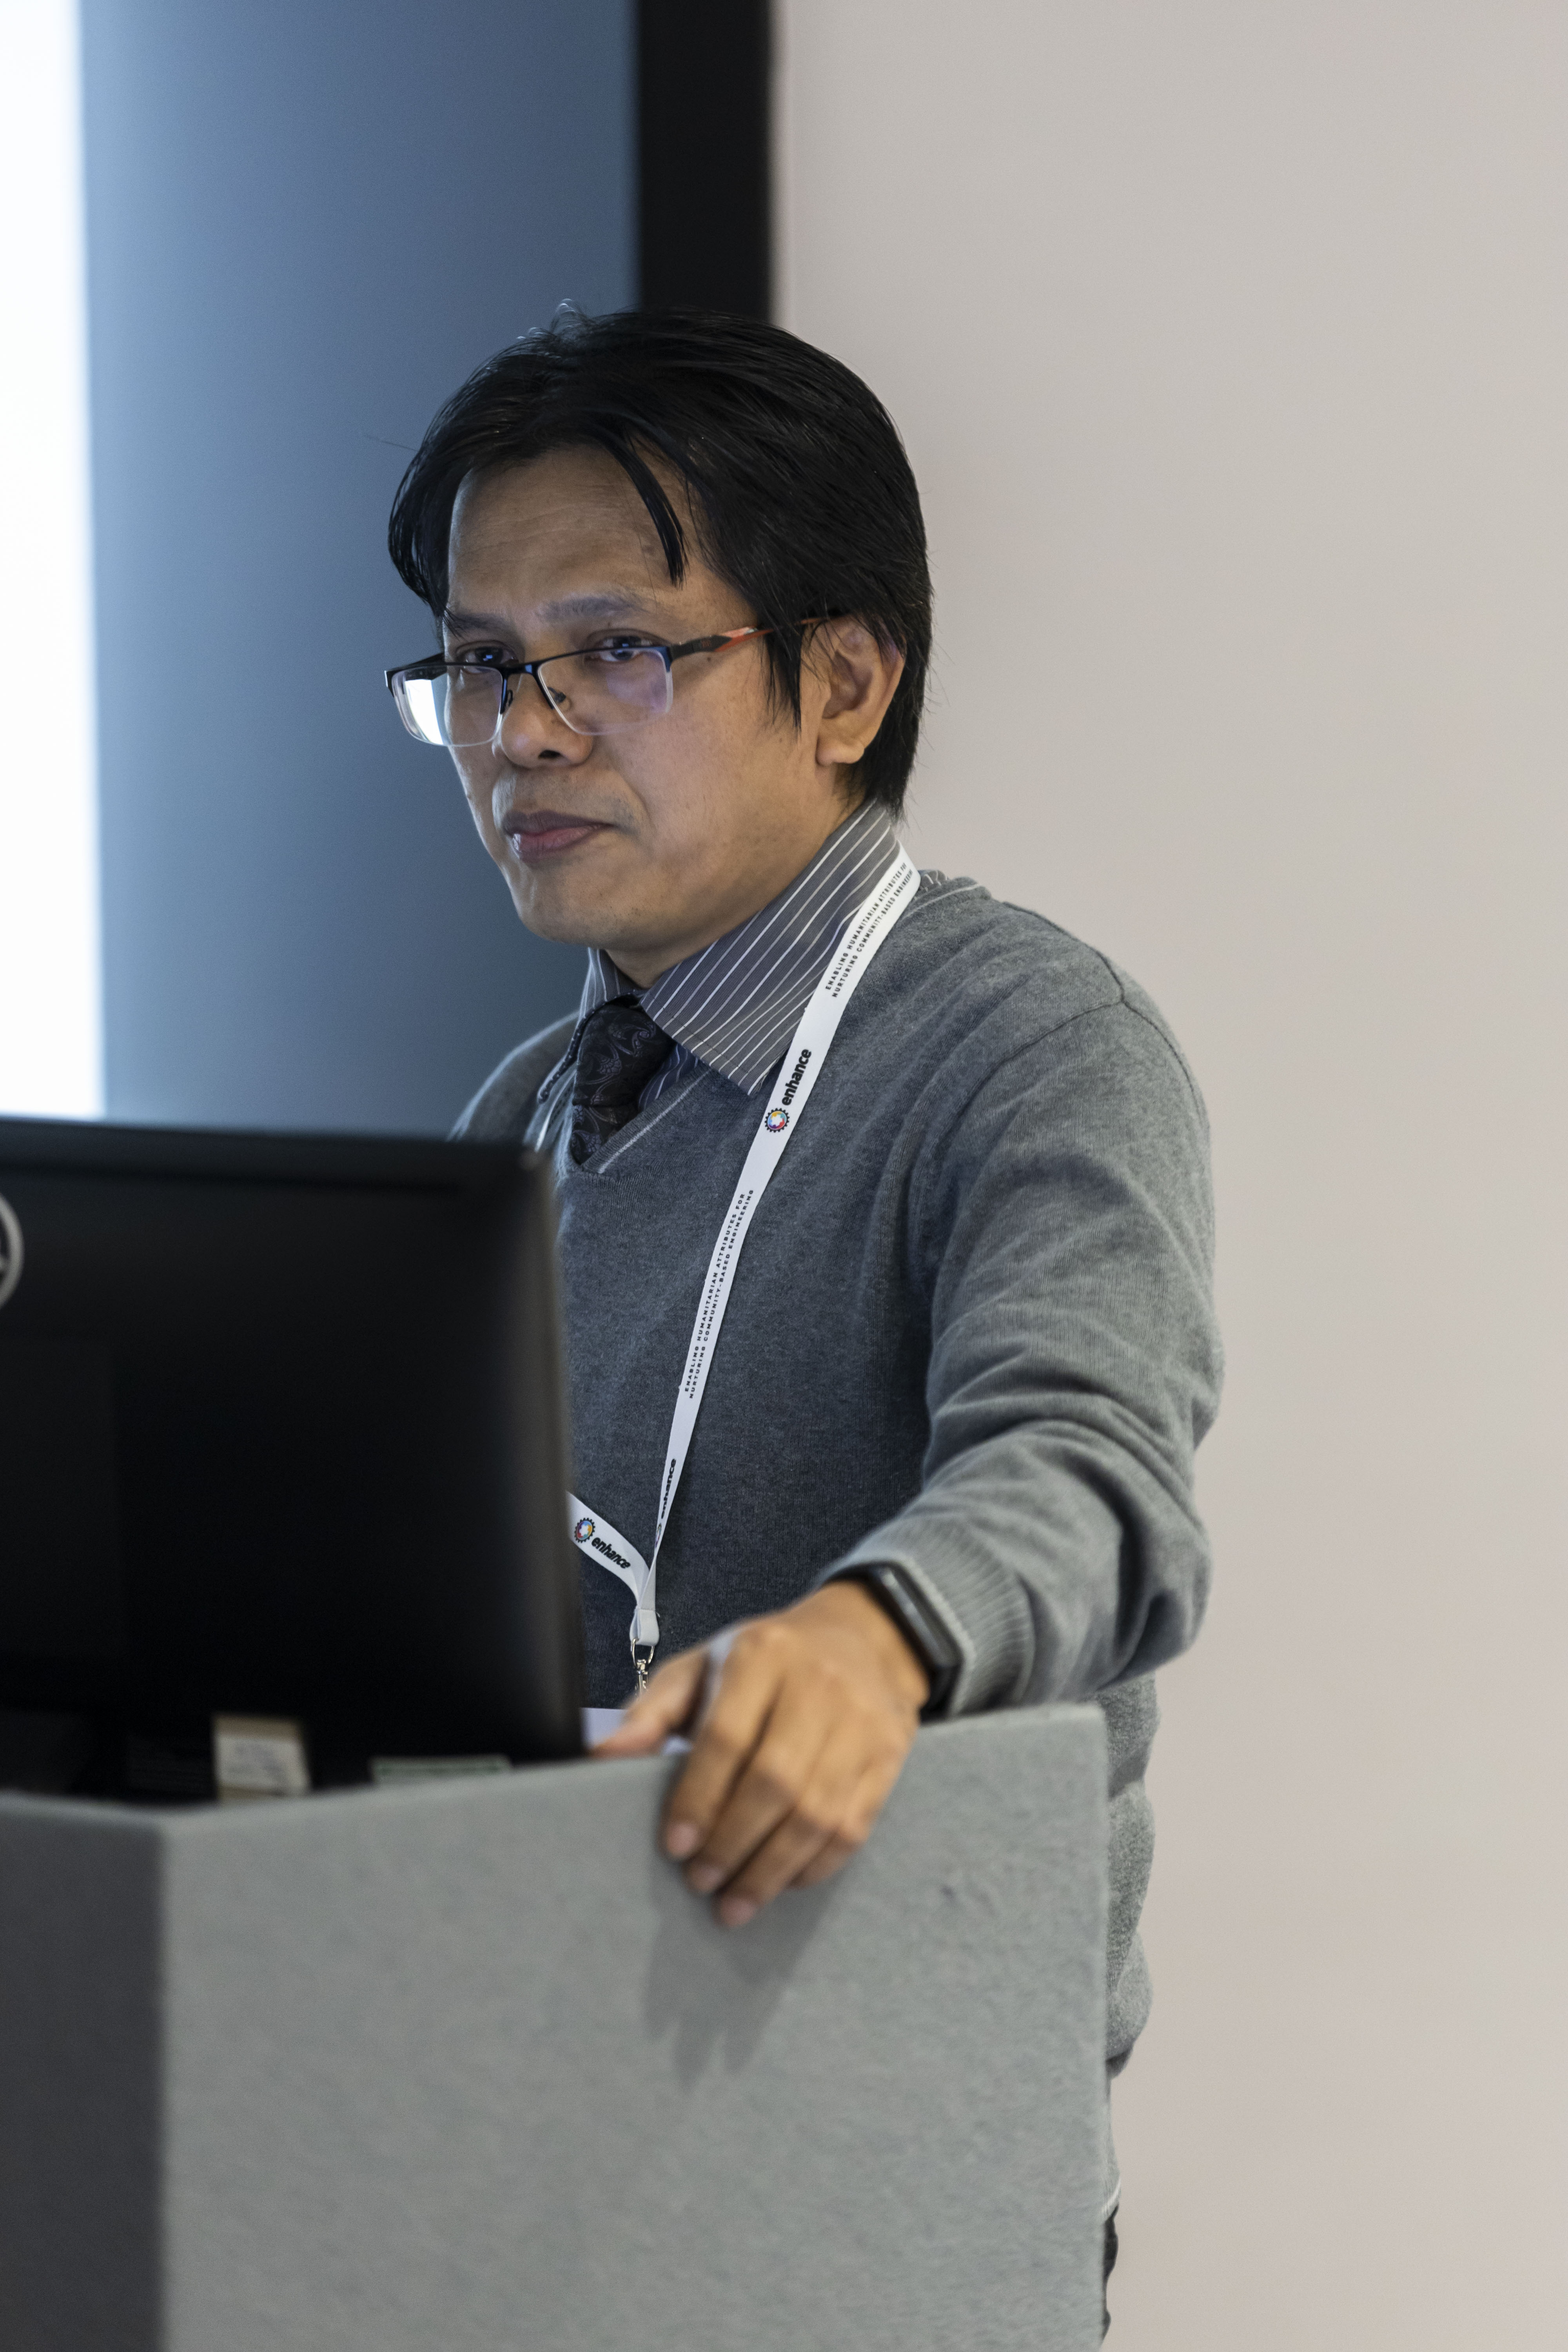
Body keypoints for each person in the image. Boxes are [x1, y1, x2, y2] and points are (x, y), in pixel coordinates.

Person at [384, 309, 1221, 2307]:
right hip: (529, 2147)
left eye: (616, 651)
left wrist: (872, 1639)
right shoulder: (522, 1116)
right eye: (484, 665)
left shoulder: (1028, 1047)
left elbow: (1095, 1478)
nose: (524, 734)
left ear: (844, 683)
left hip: (878, 2183)